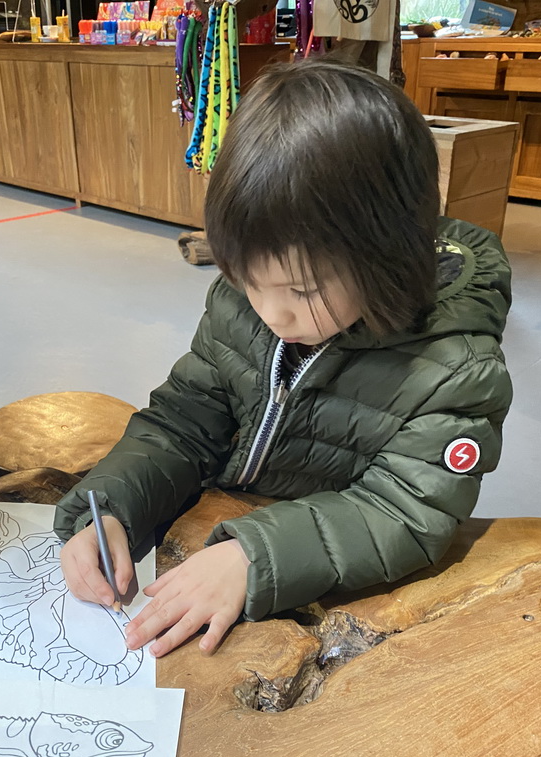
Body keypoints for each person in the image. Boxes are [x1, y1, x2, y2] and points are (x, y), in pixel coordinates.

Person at [54, 57, 512, 660]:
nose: (271, 312)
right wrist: (113, 507)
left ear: (388, 260)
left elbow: (404, 513)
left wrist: (255, 557)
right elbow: (182, 422)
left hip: (323, 602)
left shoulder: (454, 368)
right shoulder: (241, 306)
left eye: (301, 291)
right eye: (246, 277)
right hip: (215, 530)